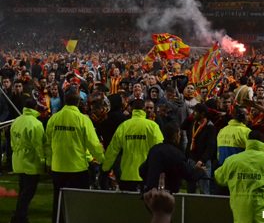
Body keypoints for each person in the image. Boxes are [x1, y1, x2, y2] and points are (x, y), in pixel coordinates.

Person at [46, 86, 105, 222]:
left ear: (65, 100)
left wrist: (48, 162)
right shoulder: (83, 120)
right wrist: (105, 161)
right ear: (79, 102)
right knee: (78, 205)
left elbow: (47, 143)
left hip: (58, 167)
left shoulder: (54, 119)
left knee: (58, 203)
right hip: (77, 169)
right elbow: (94, 145)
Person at [102, 99, 163, 191]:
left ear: (132, 109)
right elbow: (160, 149)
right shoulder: (153, 126)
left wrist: (105, 168)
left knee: (128, 204)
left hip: (127, 174)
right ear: (144, 109)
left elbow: (112, 150)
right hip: (147, 174)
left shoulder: (124, 126)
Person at [140, 122, 205, 193]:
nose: (180, 137)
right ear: (175, 135)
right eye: (179, 134)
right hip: (166, 195)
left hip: (151, 194)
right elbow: (189, 175)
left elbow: (142, 170)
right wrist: (200, 171)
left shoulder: (154, 149)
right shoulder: (176, 154)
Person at [10, 98, 45, 223]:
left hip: (18, 160)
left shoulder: (16, 121)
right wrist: (43, 161)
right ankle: (20, 217)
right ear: (35, 108)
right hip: (31, 163)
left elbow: (12, 142)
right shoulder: (36, 124)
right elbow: (39, 146)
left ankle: (19, 215)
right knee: (28, 192)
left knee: (23, 190)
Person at [181, 103, 216, 194]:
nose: (193, 113)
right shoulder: (193, 123)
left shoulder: (210, 127)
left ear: (203, 114)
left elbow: (211, 146)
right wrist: (190, 117)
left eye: (195, 112)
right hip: (191, 159)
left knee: (204, 187)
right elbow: (182, 126)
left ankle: (204, 206)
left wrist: (202, 160)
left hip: (203, 162)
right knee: (190, 186)